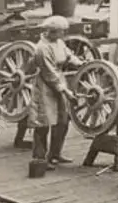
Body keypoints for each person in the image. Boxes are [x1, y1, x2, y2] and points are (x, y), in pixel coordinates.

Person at [27, 15, 83, 169]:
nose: (64, 34)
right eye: (61, 32)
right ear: (52, 32)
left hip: (59, 82)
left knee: (62, 121)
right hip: (45, 87)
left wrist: (81, 63)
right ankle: (40, 158)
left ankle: (55, 154)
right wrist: (65, 91)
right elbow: (49, 73)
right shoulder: (42, 48)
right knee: (43, 123)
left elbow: (69, 56)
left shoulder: (59, 42)